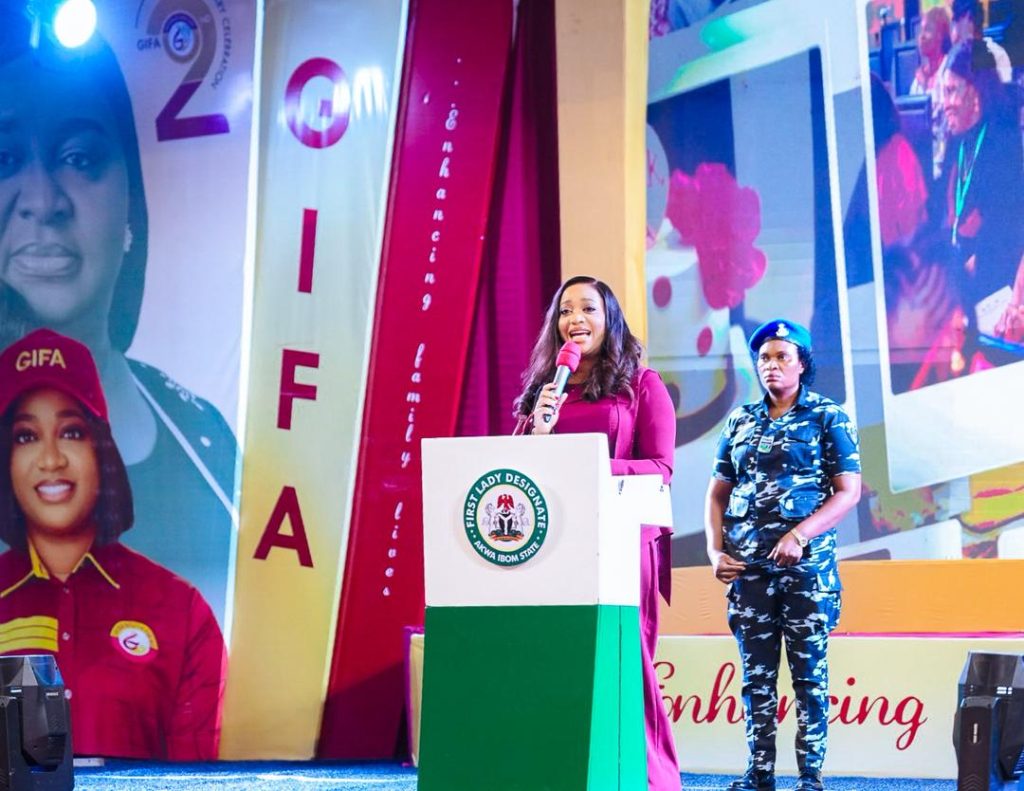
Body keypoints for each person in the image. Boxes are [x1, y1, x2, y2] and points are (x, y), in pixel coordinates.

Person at [0, 11, 235, 623]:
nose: (43, 202)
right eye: (4, 160)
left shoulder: (202, 437)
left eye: (79, 158)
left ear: (131, 203)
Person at [0, 328, 226, 759]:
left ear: (100, 449)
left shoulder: (181, 612)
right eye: (26, 436)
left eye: (71, 432)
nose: (51, 459)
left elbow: (197, 779)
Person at [514, 276, 681, 791]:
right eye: (565, 310)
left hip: (623, 540)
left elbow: (661, 468)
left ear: (610, 320)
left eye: (588, 308)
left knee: (625, 658)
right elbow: (515, 471)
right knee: (563, 657)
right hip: (557, 544)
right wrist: (538, 432)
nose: (575, 319)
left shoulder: (642, 385)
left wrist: (587, 465)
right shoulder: (546, 390)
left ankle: (651, 777)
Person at [704, 319, 861, 791]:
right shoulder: (740, 420)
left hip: (805, 573)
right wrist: (714, 550)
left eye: (782, 357)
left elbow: (849, 491)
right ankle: (759, 774)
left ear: (801, 364)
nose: (771, 365)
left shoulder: (828, 416)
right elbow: (717, 494)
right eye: (764, 358)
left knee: (809, 677)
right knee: (756, 679)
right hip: (750, 571)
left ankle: (810, 778)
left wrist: (799, 535)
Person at [937, 41, 1024, 345]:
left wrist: (955, 280)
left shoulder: (1003, 142)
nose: (944, 103)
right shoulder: (956, 140)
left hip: (993, 287)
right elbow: (943, 216)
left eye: (952, 91)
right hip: (959, 276)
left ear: (974, 92)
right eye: (943, 92)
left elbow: (1003, 238)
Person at [909, 6, 952, 179]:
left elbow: (944, 121)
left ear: (941, 34)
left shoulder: (950, 71)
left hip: (945, 161)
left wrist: (927, 85)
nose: (921, 36)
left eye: (927, 30)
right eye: (921, 31)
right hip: (921, 161)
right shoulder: (918, 79)